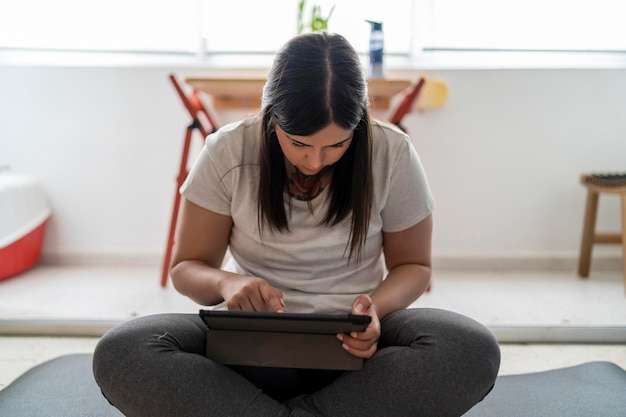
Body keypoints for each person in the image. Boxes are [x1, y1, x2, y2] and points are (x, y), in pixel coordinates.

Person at [93, 32, 500, 417]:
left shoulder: (391, 151)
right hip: (254, 349)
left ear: (357, 125)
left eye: (337, 145)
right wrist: (227, 284)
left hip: (354, 347)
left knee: (469, 347)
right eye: (300, 143)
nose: (315, 161)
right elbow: (186, 269)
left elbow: (414, 266)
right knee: (124, 350)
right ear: (273, 118)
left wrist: (375, 309)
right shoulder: (228, 149)